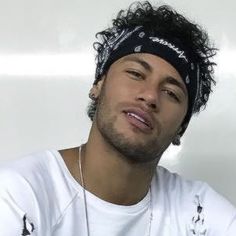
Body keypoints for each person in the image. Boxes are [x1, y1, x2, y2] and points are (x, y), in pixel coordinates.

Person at [0, 1, 235, 235]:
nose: (150, 96)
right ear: (98, 85)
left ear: (181, 128)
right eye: (135, 73)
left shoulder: (201, 215)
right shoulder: (19, 195)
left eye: (171, 93)